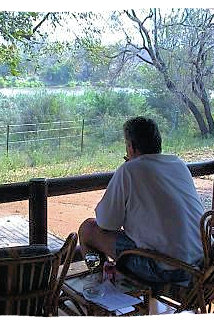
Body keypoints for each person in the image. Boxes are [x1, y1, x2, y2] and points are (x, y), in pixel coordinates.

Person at [78, 116, 204, 284]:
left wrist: (128, 167)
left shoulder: (129, 170)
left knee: (88, 229)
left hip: (165, 270)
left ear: (131, 146)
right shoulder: (178, 164)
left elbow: (105, 223)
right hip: (199, 265)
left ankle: (99, 284)